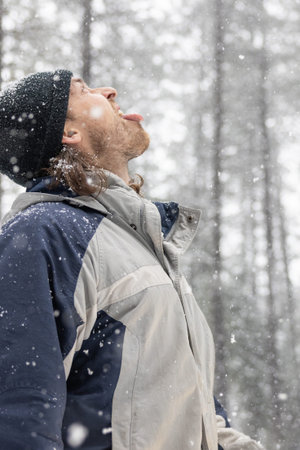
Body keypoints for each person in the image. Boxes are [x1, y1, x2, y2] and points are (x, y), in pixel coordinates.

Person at [0, 69, 264, 450]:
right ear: (69, 134)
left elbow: (192, 414)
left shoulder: (138, 243)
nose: (109, 90)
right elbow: (17, 413)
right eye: (85, 90)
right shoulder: (44, 235)